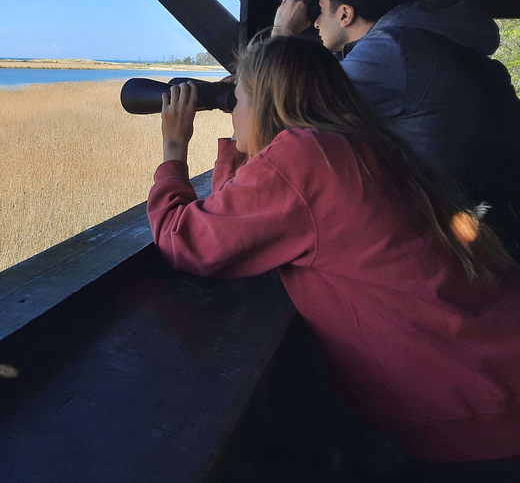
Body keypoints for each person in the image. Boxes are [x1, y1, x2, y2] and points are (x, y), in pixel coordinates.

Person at [147, 36, 520, 480]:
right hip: (494, 375)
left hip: (478, 413)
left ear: (266, 103)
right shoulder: (356, 144)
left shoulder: (303, 159)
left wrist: (174, 150)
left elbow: (186, 240)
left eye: (237, 99)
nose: (232, 110)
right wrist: (240, 143)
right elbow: (240, 217)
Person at [272, 0, 520, 259]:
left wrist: (282, 33)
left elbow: (286, 106)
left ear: (345, 15)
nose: (314, 22)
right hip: (483, 214)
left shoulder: (391, 50)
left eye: (322, 11)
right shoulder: (423, 38)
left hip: (451, 236)